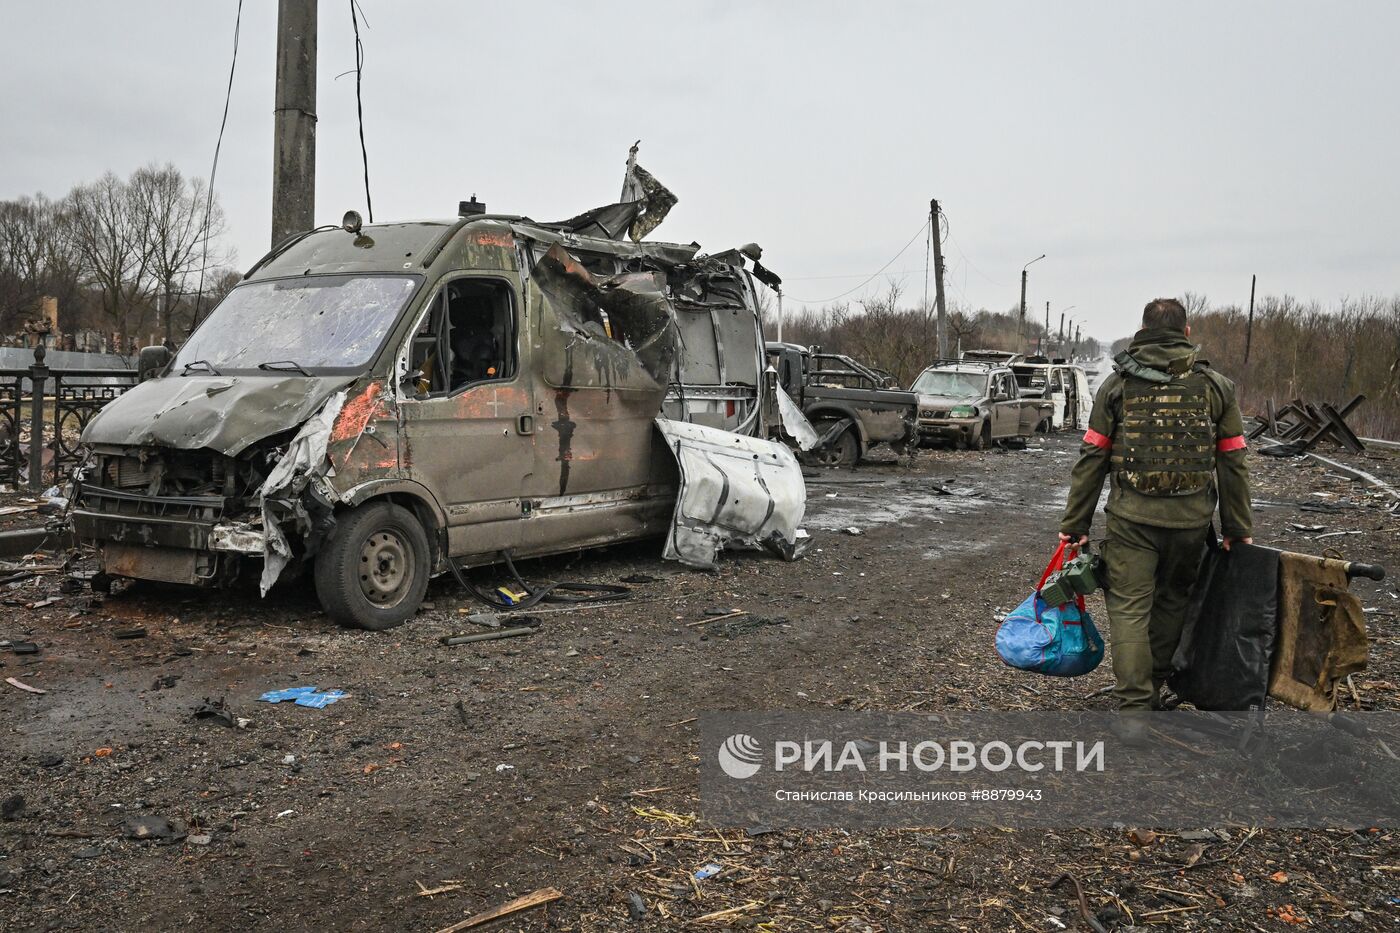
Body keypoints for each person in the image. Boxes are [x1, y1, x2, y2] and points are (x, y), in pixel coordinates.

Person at [1059, 298, 1253, 742]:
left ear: (1142, 332)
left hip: (1131, 521)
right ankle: (1152, 692)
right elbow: (1233, 461)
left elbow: (1094, 456)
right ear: (1187, 333)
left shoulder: (1117, 385)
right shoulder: (1215, 386)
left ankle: (1133, 712)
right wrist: (1237, 528)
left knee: (1129, 610)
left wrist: (1077, 522)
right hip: (1190, 523)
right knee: (1171, 605)